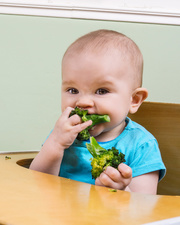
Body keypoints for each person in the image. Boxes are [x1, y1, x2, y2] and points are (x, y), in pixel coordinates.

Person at [29, 29, 166, 194]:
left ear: (134, 99)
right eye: (73, 90)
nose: (83, 102)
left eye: (101, 91)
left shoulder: (142, 145)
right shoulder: (62, 135)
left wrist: (122, 189)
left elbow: (144, 208)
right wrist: (54, 145)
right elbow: (36, 185)